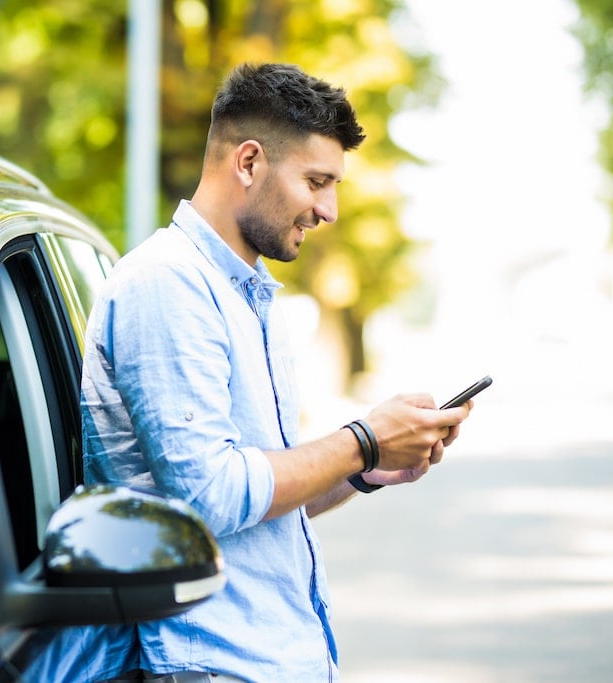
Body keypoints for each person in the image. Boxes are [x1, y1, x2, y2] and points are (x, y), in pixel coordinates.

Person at [34, 63, 474, 683]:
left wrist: (368, 467)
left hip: (265, 658)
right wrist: (363, 437)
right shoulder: (167, 284)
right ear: (248, 163)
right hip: (209, 664)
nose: (330, 209)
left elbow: (256, 496)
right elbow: (208, 493)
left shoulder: (248, 295)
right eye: (317, 181)